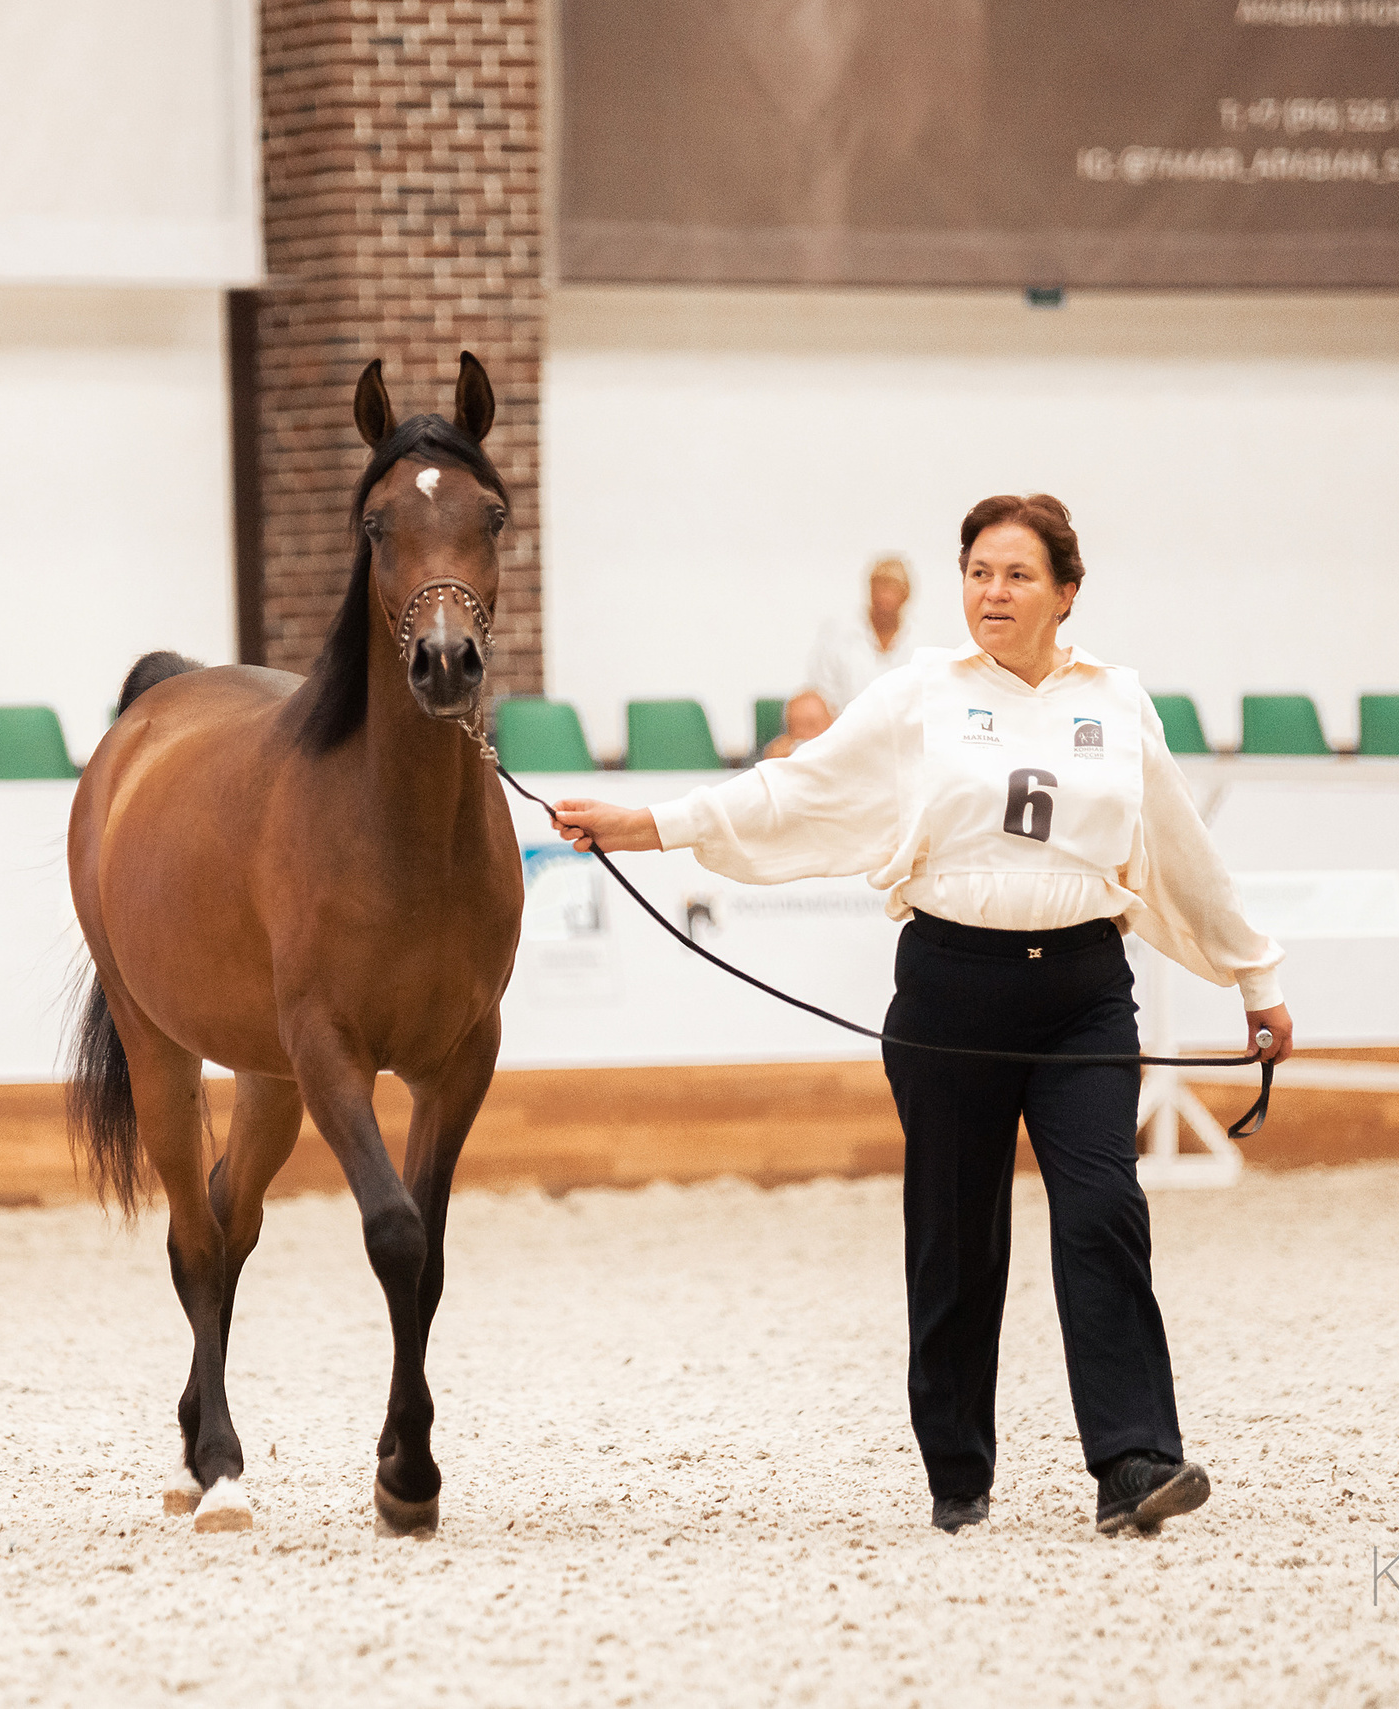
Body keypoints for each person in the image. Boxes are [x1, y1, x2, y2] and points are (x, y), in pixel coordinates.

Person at [550, 494, 1292, 1539]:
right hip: (951, 988)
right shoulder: (918, 700)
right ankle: (958, 1471)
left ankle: (1132, 1460)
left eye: (1018, 574)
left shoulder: (1119, 703)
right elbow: (796, 792)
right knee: (952, 1235)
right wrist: (652, 823)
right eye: (979, 571)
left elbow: (1178, 851)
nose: (993, 591)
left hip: (1084, 993)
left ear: (1065, 593)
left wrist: (1255, 977)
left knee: (1102, 1210)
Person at [805, 553, 917, 716]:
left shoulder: (922, 642)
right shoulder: (836, 635)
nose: (884, 596)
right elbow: (820, 693)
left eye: (892, 588)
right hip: (845, 732)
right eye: (879, 586)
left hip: (905, 736)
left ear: (906, 595)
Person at [761, 690, 832, 760]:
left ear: (830, 722)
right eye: (796, 726)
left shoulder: (837, 755)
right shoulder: (781, 756)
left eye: (811, 724)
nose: (804, 733)